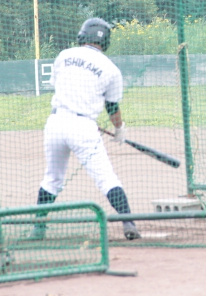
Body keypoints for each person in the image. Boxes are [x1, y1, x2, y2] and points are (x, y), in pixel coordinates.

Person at [29, 18, 140, 241]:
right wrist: (119, 128)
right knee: (106, 178)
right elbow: (112, 107)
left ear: (83, 35)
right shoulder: (111, 69)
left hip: (56, 123)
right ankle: (128, 222)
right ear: (105, 40)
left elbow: (62, 87)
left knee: (52, 179)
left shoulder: (64, 56)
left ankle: (38, 227)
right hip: (83, 128)